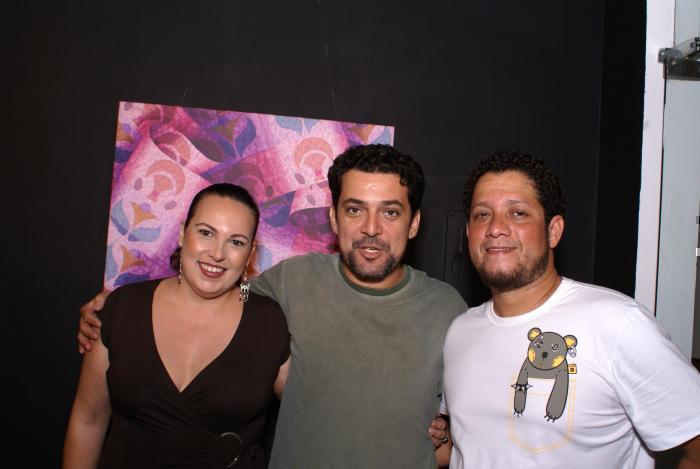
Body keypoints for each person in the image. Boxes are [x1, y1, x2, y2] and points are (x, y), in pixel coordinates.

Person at [78, 144, 462, 468]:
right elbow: (235, 294)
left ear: (414, 223)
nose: (371, 228)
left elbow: (474, 429)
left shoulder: (447, 310)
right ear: (333, 218)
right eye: (354, 209)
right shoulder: (292, 281)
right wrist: (125, 305)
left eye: (390, 212)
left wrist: (446, 434)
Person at [441, 150, 700, 468]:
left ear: (553, 231)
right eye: (482, 215)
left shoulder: (618, 324)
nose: (496, 228)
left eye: (518, 213)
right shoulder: (460, 331)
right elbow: (468, 445)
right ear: (469, 233)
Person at [64, 183, 291, 469]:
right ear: (183, 233)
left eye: (236, 242)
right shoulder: (123, 308)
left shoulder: (269, 323)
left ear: (250, 253)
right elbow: (88, 421)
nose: (217, 253)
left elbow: (312, 409)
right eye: (206, 233)